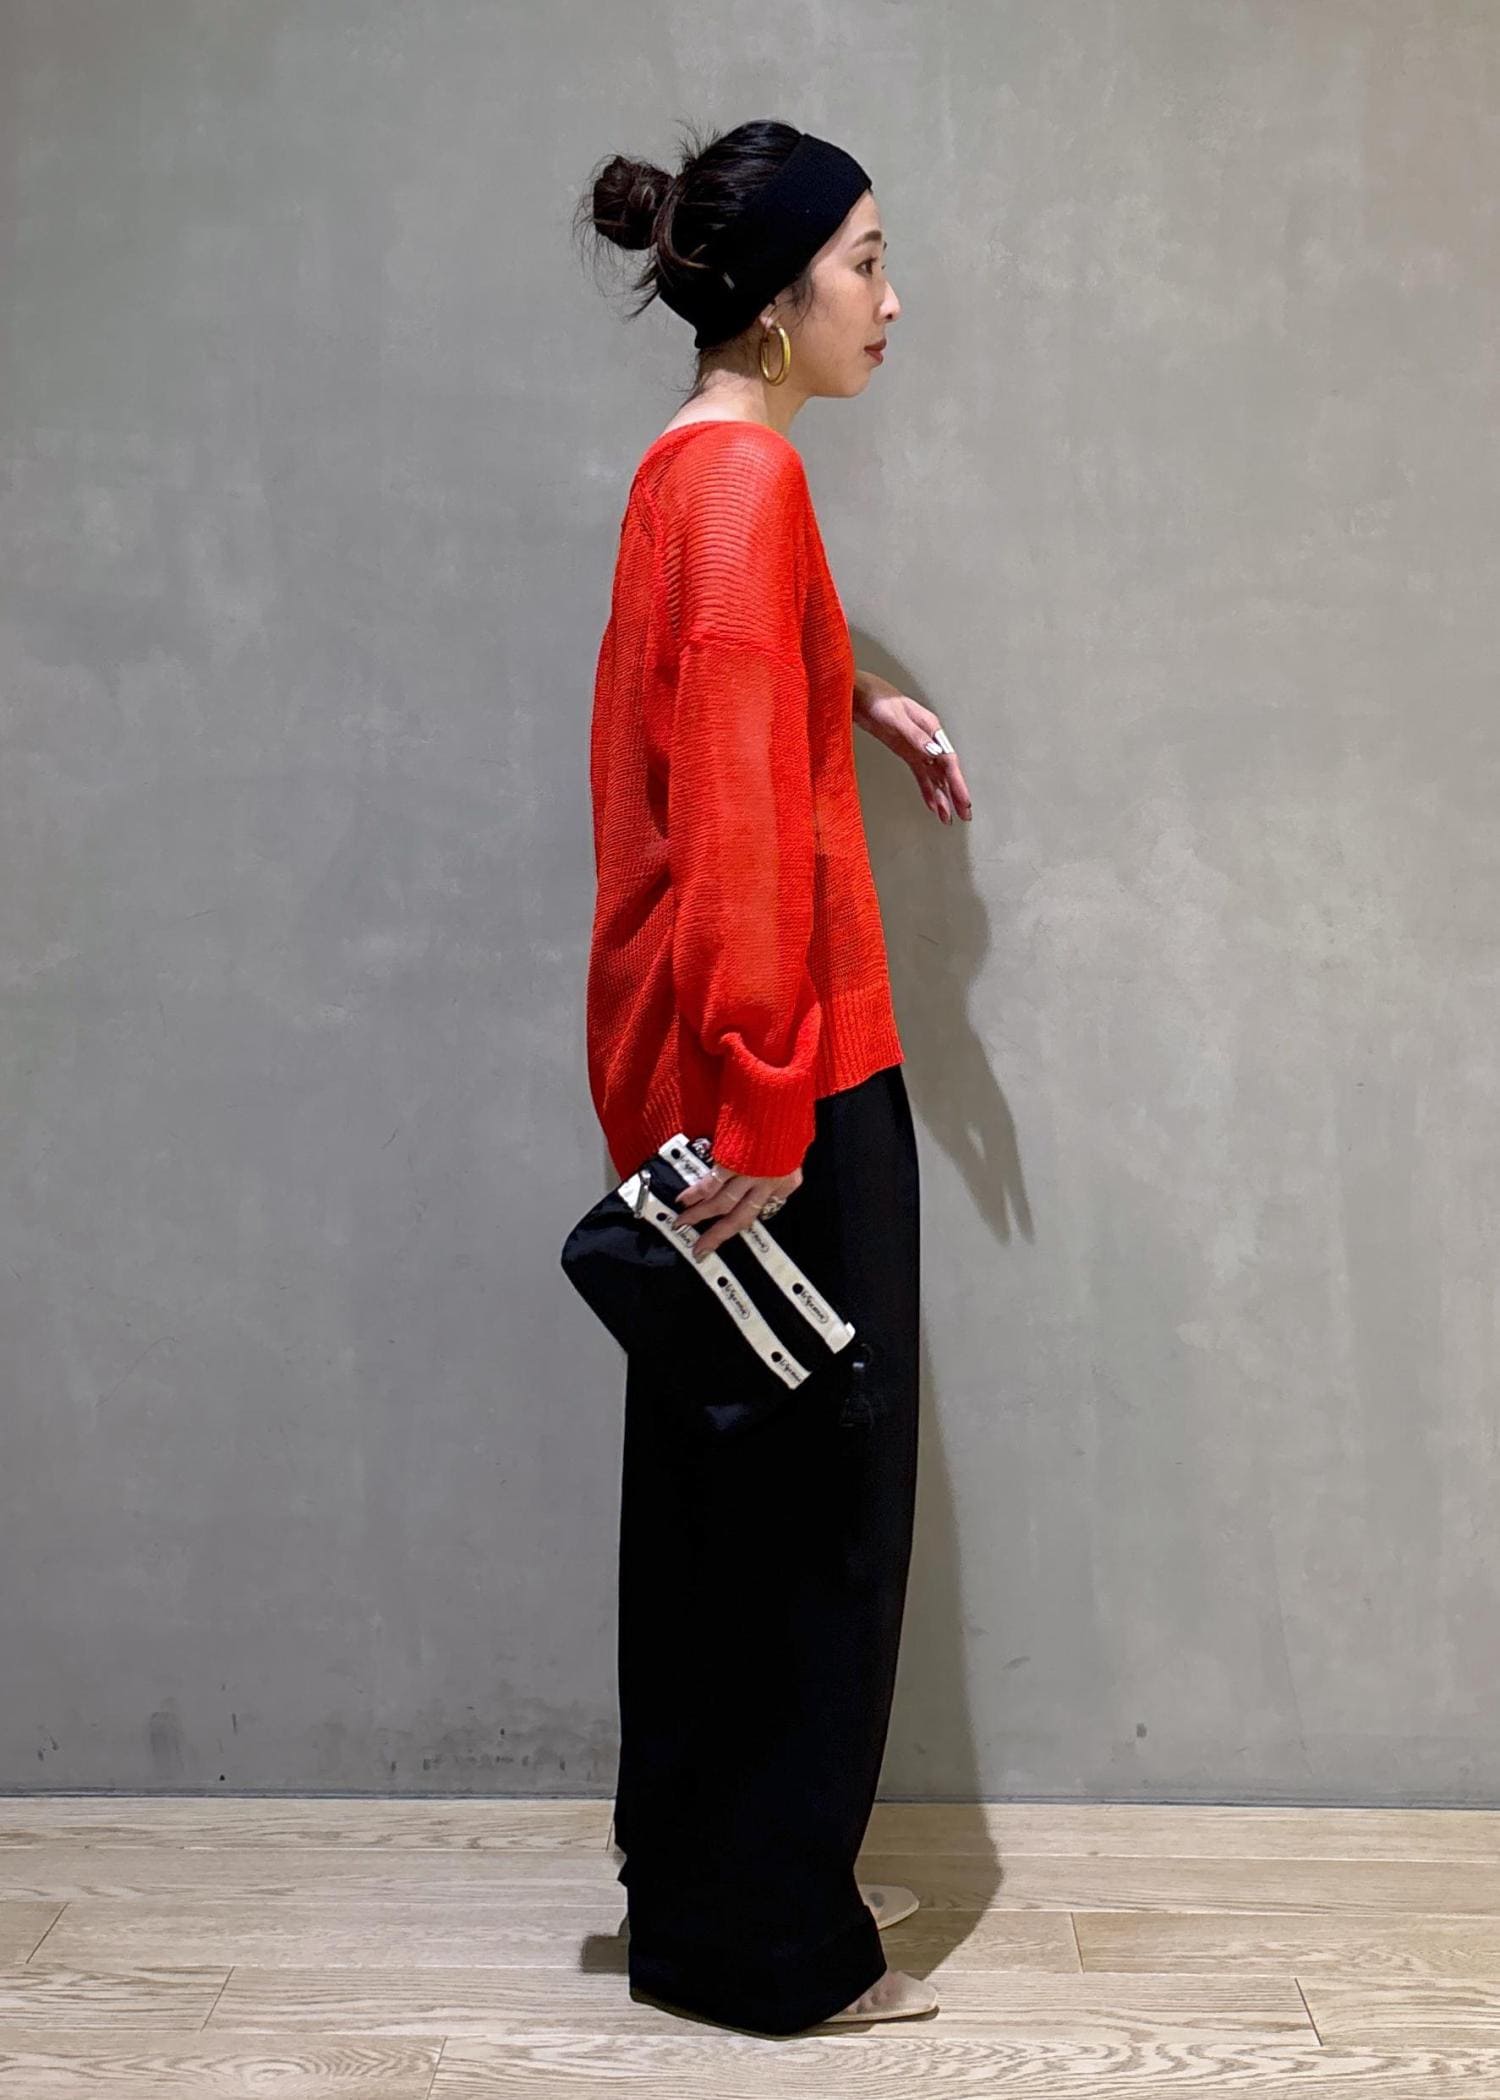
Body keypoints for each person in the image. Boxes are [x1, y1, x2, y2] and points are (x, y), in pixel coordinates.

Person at [573, 117, 973, 2036]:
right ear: (775, 293)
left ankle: (714, 1888)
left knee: (719, 1499)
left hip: (718, 1066)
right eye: (868, 263)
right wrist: (761, 1110)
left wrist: (850, 696)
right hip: (785, 1077)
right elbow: (733, 832)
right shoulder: (749, 491)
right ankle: (765, 1943)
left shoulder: (691, 466)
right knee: (818, 1512)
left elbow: (718, 709)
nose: (892, 300)